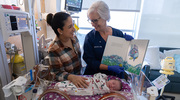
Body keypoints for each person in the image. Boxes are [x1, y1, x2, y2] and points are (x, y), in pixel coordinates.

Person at [83, 1, 134, 78]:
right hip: (96, 77)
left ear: (105, 17)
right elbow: (90, 61)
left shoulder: (118, 34)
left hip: (116, 78)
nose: (92, 24)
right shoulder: (90, 37)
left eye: (95, 20)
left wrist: (131, 44)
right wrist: (108, 67)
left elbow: (126, 57)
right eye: (91, 20)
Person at [47, 12, 88, 88]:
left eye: (73, 24)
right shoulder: (54, 49)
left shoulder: (74, 38)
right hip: (68, 86)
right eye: (70, 27)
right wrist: (71, 77)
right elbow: (56, 73)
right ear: (60, 31)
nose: (74, 29)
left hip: (80, 81)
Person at [55, 73, 122, 96]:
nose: (112, 86)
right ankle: (59, 85)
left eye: (114, 88)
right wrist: (103, 76)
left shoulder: (106, 90)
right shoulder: (103, 78)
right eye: (113, 83)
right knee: (71, 83)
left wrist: (111, 91)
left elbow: (103, 89)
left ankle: (61, 90)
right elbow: (96, 75)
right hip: (88, 81)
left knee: (73, 89)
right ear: (110, 79)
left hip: (88, 88)